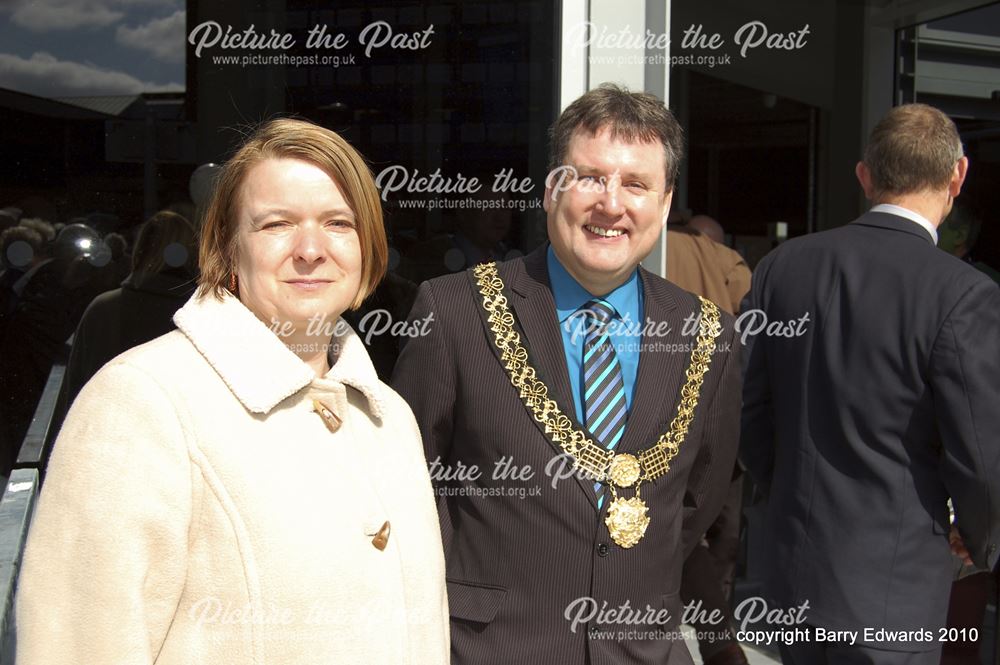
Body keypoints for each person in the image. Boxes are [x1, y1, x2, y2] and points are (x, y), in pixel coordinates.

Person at [16, 118, 449, 664]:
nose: (311, 249)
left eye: (339, 222)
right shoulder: (142, 403)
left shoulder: (390, 419)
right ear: (226, 246)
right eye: (276, 224)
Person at [392, 83, 741, 664]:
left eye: (636, 184)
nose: (611, 203)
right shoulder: (455, 311)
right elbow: (408, 492)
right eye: (590, 177)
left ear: (664, 198)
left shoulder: (708, 333)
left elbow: (694, 504)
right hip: (491, 649)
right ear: (552, 189)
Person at [740, 103, 1000, 665]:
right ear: (958, 174)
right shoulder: (963, 292)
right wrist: (982, 543)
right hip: (894, 590)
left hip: (792, 575)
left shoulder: (782, 268)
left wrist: (788, 492)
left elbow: (749, 414)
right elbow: (981, 456)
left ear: (865, 176)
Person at [667, 217, 751, 665]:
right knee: (713, 533)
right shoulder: (723, 261)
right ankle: (719, 637)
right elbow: (755, 324)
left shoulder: (655, 253)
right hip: (715, 407)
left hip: (650, 415)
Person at [61, 210, 198, 407]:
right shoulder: (208, 314)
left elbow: (75, 392)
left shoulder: (103, 309)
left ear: (139, 249)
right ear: (194, 253)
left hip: (105, 430)